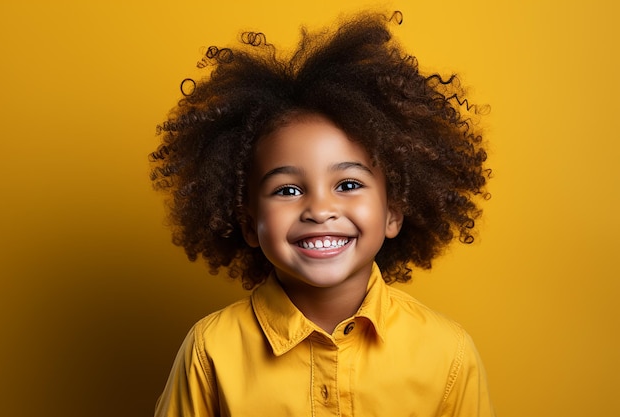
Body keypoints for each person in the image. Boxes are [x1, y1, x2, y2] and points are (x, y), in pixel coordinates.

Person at [150, 10, 495, 417]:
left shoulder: (447, 352)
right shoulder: (210, 351)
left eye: (348, 185)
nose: (319, 209)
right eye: (288, 190)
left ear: (393, 212)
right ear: (246, 222)